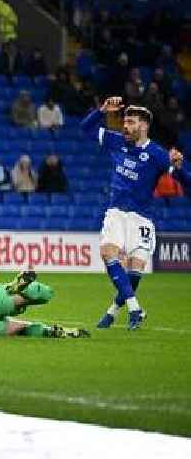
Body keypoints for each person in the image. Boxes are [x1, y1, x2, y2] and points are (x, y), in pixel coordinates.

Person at [80, 97, 171, 330]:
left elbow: (180, 176)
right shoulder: (116, 141)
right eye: (125, 121)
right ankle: (135, 309)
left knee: (134, 271)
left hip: (141, 217)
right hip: (116, 212)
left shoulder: (158, 154)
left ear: (144, 125)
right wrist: (102, 111)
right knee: (107, 252)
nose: (125, 126)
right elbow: (85, 129)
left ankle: (112, 312)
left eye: (131, 122)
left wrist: (179, 166)